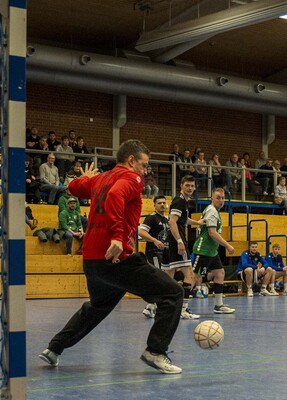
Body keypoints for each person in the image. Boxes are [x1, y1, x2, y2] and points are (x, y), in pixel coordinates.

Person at [39, 140, 186, 374]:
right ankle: (156, 351)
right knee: (173, 293)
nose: (145, 171)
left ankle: (54, 348)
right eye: (144, 165)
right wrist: (117, 237)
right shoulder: (132, 178)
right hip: (116, 258)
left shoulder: (101, 178)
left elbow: (73, 188)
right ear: (131, 161)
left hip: (92, 261)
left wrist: (84, 179)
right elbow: (116, 195)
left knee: (98, 307)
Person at [191, 187, 236, 315]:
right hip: (204, 250)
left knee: (220, 273)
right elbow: (212, 233)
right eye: (218, 198)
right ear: (212, 199)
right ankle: (182, 307)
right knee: (193, 278)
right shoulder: (212, 211)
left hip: (212, 251)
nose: (221, 200)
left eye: (222, 198)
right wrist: (227, 245)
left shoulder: (214, 211)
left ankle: (218, 305)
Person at [163, 177, 202, 321]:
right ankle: (183, 309)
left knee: (168, 276)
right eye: (187, 185)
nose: (190, 188)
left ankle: (160, 306)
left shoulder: (182, 201)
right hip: (176, 240)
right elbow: (172, 221)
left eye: (192, 186)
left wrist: (198, 222)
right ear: (181, 186)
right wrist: (179, 241)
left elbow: (183, 220)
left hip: (170, 241)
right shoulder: (179, 201)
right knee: (189, 274)